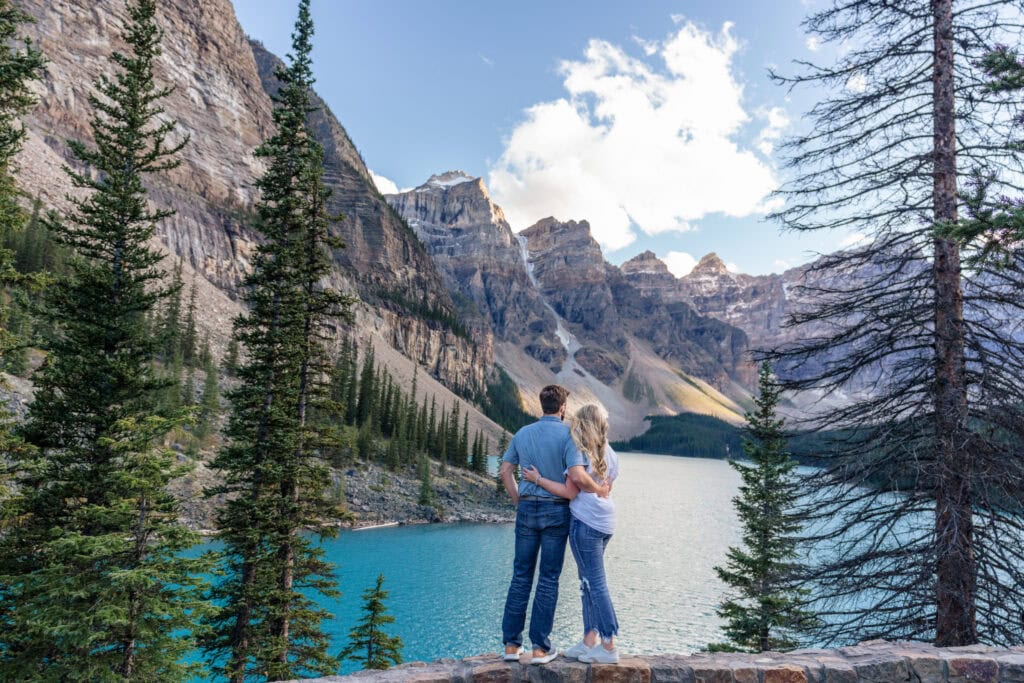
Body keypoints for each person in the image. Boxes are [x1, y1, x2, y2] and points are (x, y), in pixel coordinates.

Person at [500, 385, 610, 665]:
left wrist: (518, 500)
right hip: (556, 511)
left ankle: (511, 646)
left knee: (520, 575)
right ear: (562, 408)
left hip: (527, 508)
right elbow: (576, 477)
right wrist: (599, 489)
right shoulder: (569, 435)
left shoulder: (523, 433)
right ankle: (539, 649)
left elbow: (505, 471)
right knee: (548, 577)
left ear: (542, 405)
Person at [522, 403, 621, 664]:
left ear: (583, 424)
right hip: (605, 521)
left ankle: (609, 645)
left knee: (594, 582)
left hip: (585, 522)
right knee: (587, 581)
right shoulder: (610, 452)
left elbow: (571, 487)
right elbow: (609, 484)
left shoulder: (580, 449)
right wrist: (600, 489)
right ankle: (590, 641)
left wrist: (538, 479)